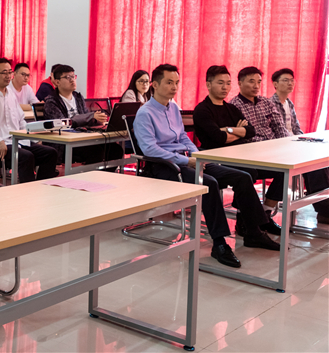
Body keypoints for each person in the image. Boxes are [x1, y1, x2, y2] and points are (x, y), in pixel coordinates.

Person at [135, 64, 279, 269]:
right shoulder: (145, 113)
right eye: (169, 82)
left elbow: (183, 136)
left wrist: (196, 154)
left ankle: (254, 232)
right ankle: (219, 244)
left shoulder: (173, 108)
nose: (174, 87)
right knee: (209, 183)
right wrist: (187, 161)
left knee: (242, 176)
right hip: (164, 166)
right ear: (155, 85)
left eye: (176, 82)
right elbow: (150, 149)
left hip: (187, 159)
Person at [233, 67, 329, 225]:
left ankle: (266, 213)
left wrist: (293, 145)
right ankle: (256, 216)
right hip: (252, 153)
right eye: (251, 81)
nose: (256, 85)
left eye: (259, 82)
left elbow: (280, 128)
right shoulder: (235, 106)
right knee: (287, 169)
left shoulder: (266, 103)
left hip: (277, 148)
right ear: (240, 83)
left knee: (315, 162)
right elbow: (246, 135)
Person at [193, 65, 282, 235]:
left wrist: (228, 130)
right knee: (248, 172)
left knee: (280, 171)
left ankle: (265, 214)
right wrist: (236, 132)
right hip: (217, 159)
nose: (225, 87)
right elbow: (218, 138)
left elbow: (250, 131)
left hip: (240, 155)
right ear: (208, 84)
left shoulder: (231, 109)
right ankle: (247, 223)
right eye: (220, 83)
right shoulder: (202, 110)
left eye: (228, 83)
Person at [0, 58, 57, 182]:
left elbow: (21, 120)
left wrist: (32, 137)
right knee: (26, 156)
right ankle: (28, 191)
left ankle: (42, 187)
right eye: (4, 73)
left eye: (9, 72)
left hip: (16, 141)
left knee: (50, 153)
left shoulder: (11, 94)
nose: (8, 76)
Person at [43, 65, 124, 167]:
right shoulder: (51, 102)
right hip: (64, 144)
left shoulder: (78, 97)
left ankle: (104, 175)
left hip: (82, 138)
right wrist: (90, 116)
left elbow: (86, 119)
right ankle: (91, 176)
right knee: (96, 152)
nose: (72, 80)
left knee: (115, 149)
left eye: (73, 77)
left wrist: (97, 120)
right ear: (57, 82)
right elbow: (63, 124)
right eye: (68, 77)